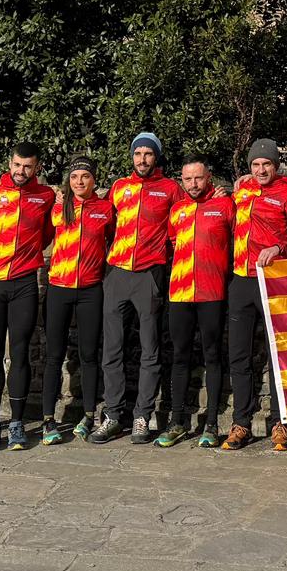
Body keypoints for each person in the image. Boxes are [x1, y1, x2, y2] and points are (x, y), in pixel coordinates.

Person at [91, 133, 181, 445]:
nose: (142, 159)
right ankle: (113, 416)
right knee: (112, 348)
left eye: (148, 154)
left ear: (157, 157)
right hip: (117, 273)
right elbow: (105, 224)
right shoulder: (118, 187)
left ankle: (143, 415)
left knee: (149, 349)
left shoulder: (170, 189)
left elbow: (185, 221)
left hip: (149, 273)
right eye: (138, 153)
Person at [222, 138, 287, 451]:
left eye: (266, 164)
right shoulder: (242, 191)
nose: (261, 170)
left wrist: (278, 248)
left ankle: (280, 423)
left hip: (272, 280)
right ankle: (241, 423)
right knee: (239, 355)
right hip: (240, 280)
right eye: (255, 165)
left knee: (277, 355)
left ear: (276, 166)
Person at [0, 142, 57, 452]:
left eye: (28, 167)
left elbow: (48, 233)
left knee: (20, 353)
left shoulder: (46, 196)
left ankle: (17, 424)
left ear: (37, 168)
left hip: (24, 283)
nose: (21, 171)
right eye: (17, 165)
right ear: (10, 163)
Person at [155, 157, 234, 448]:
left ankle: (211, 424)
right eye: (187, 179)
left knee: (212, 356)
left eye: (198, 178)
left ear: (208, 177)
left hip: (212, 293)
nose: (193, 184)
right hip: (179, 293)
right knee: (179, 356)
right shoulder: (176, 210)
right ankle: (177, 422)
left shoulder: (226, 205)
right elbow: (173, 242)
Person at [42, 157, 113, 445]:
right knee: (54, 355)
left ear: (94, 179)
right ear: (68, 181)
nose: (79, 181)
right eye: (74, 177)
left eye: (85, 176)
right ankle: (48, 419)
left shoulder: (106, 209)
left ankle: (87, 415)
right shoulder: (58, 207)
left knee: (88, 355)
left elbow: (112, 239)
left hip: (90, 289)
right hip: (59, 287)